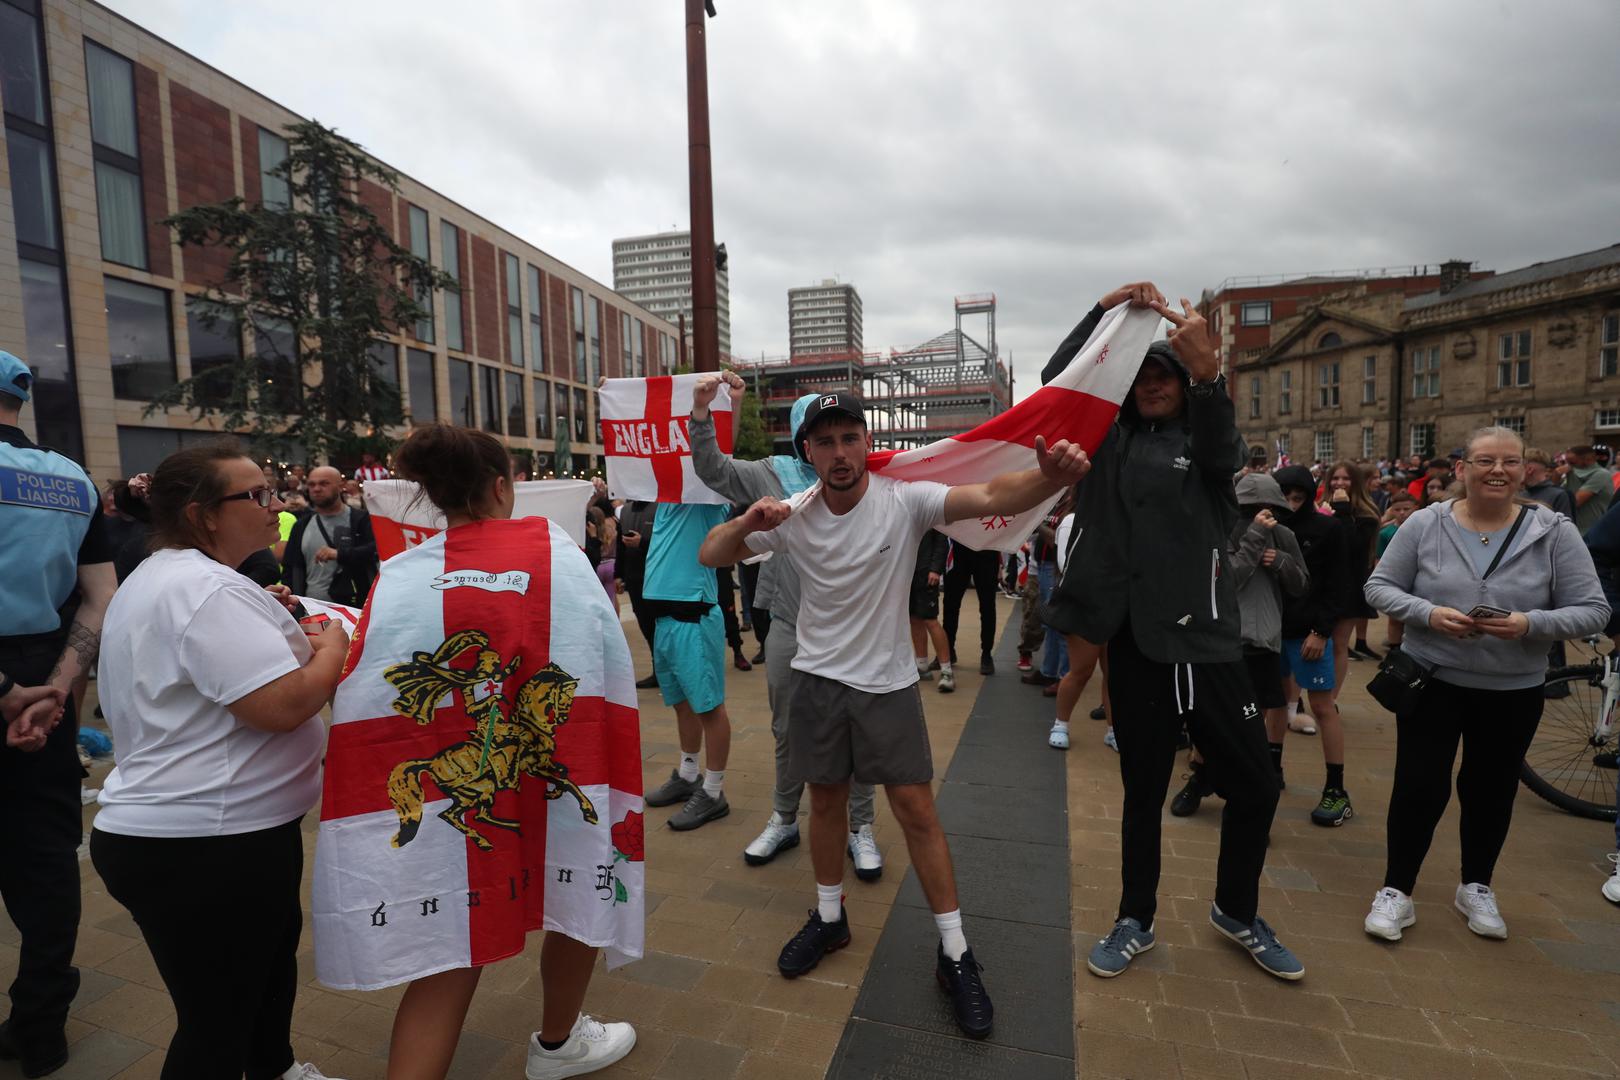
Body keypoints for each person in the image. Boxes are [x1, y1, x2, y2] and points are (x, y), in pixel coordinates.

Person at [699, 390, 1091, 1039]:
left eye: (850, 436)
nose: (840, 452)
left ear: (865, 439)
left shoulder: (903, 498)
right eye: (824, 441)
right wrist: (745, 524)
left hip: (886, 686)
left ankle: (956, 952)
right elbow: (711, 554)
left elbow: (992, 497)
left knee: (917, 813)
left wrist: (1048, 479)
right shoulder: (792, 514)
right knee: (823, 805)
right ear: (808, 453)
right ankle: (830, 918)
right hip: (818, 683)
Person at [313, 424, 639, 1080]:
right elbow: (603, 664)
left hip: (461, 754)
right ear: (500, 486)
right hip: (547, 758)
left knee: (454, 931)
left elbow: (373, 687)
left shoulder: (400, 575)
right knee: (577, 872)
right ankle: (556, 1044)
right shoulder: (557, 553)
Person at [1043, 284, 1302, 982]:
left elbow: (1221, 441)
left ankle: (1237, 911)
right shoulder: (1106, 437)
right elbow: (1057, 385)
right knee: (1142, 789)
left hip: (1205, 641)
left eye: (1167, 376)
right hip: (1133, 642)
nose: (1153, 386)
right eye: (1142, 377)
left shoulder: (1210, 446)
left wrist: (1211, 374)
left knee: (1257, 785)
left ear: (1185, 387)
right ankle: (1135, 918)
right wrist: (1100, 313)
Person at [90, 440, 347, 1080]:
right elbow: (282, 705)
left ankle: (275, 1067)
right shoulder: (200, 588)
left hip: (221, 831)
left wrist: (279, 623)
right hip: (203, 841)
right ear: (205, 514)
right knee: (215, 1022)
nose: (274, 506)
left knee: (262, 978)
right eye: (255, 495)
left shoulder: (176, 578)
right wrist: (333, 647)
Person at [1363, 426, 1608, 941]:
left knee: (1490, 791)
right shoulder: (1426, 523)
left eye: (1510, 462)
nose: (1498, 470)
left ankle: (1475, 885)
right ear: (1462, 470)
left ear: (1526, 471)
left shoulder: (1554, 531)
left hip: (1512, 688)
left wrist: (1529, 624)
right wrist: (1428, 613)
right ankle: (1396, 891)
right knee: (1418, 787)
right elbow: (1378, 586)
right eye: (1485, 461)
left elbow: (1593, 609)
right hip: (1432, 681)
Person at [689, 378, 883, 879]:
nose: (830, 445)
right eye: (816, 434)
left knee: (858, 734)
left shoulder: (865, 473)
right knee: (786, 728)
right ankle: (784, 817)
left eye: (841, 434)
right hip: (790, 626)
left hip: (854, 630)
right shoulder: (771, 475)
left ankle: (860, 827)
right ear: (802, 439)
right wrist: (701, 415)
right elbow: (713, 470)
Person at [0, 351, 117, 1078]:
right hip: (48, 681)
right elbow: (100, 597)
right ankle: (41, 1026)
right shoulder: (70, 478)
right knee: (45, 857)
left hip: (18, 686)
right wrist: (54, 690)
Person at [1172, 473, 1308, 815]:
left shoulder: (1285, 535)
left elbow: (1301, 584)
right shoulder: (1223, 531)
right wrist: (1254, 537)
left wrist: (1280, 561)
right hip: (1221, 640)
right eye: (1251, 508)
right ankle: (1198, 778)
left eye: (1267, 509)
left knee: (1252, 720)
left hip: (1262, 642)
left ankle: (1247, 787)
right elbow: (1226, 581)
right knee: (1209, 717)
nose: (1260, 514)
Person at [639, 492, 734, 831]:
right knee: (682, 705)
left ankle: (713, 791)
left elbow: (715, 459)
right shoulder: (663, 498)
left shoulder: (703, 496)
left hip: (695, 616)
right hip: (664, 618)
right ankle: (689, 774)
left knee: (709, 708)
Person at [1271, 465, 1353, 825]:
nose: (1290, 504)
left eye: (1298, 498)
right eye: (1284, 497)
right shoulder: (1267, 526)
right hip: (1272, 632)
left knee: (1322, 707)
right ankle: (1272, 769)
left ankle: (1336, 788)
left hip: (1308, 633)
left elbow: (1338, 585)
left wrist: (1321, 632)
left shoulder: (1327, 528)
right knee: (1273, 704)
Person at [281, 465, 378, 607]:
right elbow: (290, 569)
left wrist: (339, 554)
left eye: (324, 483)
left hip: (355, 609)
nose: (317, 489)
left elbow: (376, 551)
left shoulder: (361, 520)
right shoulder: (301, 525)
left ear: (340, 486)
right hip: (312, 610)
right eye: (312, 484)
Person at [1325, 461, 1382, 663]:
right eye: (1335, 478)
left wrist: (1342, 510)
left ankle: (1331, 695)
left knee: (1338, 643)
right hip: (1322, 584)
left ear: (1355, 482)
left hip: (1348, 585)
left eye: (1346, 478)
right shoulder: (1321, 507)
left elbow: (1352, 546)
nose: (1339, 483)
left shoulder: (1366, 515)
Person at [615, 499, 659, 689]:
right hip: (634, 579)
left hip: (656, 577)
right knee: (646, 626)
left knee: (660, 628)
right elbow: (620, 545)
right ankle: (659, 670)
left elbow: (667, 543)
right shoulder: (625, 511)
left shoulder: (659, 508)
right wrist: (618, 575)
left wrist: (642, 542)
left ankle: (666, 671)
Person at [942, 539, 1000, 675]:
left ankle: (986, 654)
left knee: (987, 606)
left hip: (987, 548)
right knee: (950, 604)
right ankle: (947, 650)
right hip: (959, 549)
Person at [909, 528, 954, 692]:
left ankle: (946, 671)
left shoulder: (929, 504)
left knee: (930, 620)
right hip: (907, 572)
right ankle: (922, 665)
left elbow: (942, 539)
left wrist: (935, 569)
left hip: (926, 572)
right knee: (914, 618)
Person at [1562, 444, 1613, 535]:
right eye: (1566, 462)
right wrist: (1556, 475)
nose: (1568, 465)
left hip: (1592, 532)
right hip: (1574, 531)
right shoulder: (1571, 472)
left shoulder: (1601, 474)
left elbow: (1575, 502)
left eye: (1572, 462)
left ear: (1587, 460)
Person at [1522, 448, 1574, 517]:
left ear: (1529, 469)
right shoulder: (1520, 494)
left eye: (1519, 466)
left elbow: (1567, 526)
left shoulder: (1560, 495)